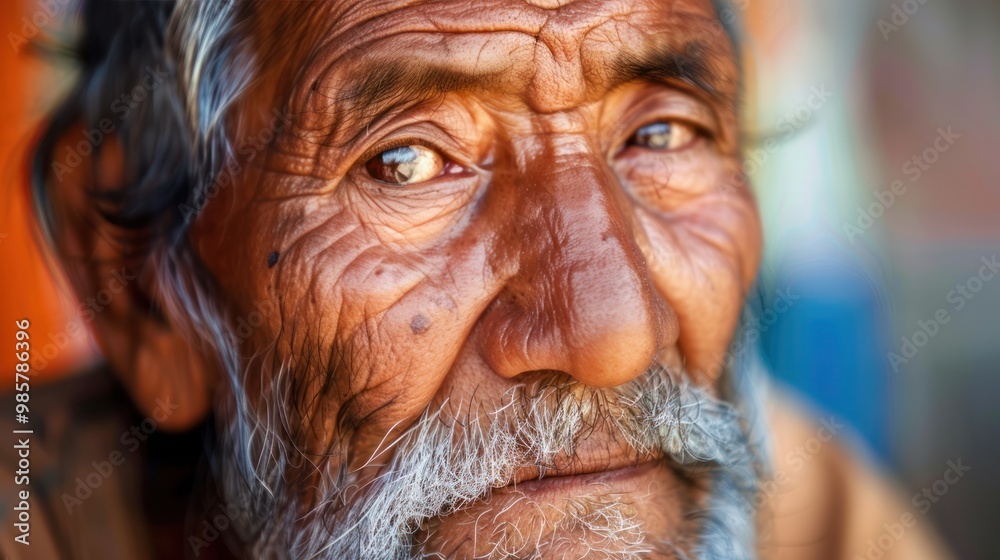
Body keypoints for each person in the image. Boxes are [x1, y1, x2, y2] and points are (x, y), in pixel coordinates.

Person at [7, 0, 952, 558]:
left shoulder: (811, 517)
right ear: (135, 283)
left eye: (658, 134)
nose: (613, 339)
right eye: (406, 162)